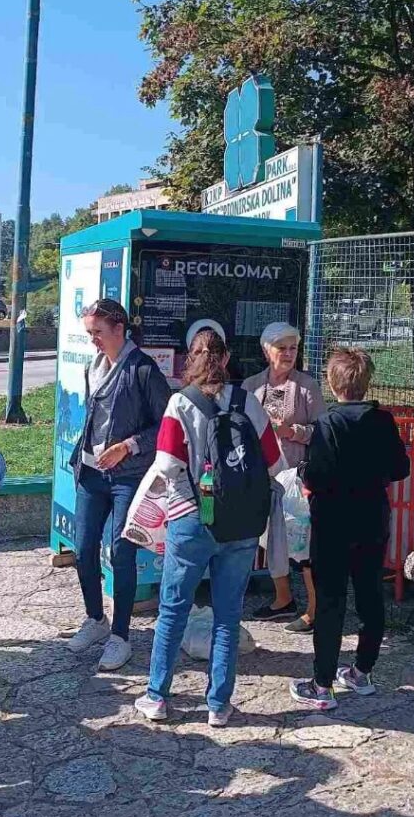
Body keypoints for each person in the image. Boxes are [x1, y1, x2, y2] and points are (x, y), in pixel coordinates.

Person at [135, 328, 283, 726]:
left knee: (173, 610)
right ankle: (219, 704)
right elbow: (274, 462)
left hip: (192, 518)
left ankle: (157, 697)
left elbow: (167, 465)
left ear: (190, 358)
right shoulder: (247, 402)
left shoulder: (180, 403)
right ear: (226, 357)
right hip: (241, 524)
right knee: (227, 615)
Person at [289, 348, 409, 709]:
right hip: (372, 518)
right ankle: (362, 671)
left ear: (331, 382)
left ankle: (322, 684)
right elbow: (400, 467)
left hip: (333, 521)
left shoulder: (328, 423)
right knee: (370, 594)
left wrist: (303, 473)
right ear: (367, 381)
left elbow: (317, 474)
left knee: (330, 599)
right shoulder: (383, 420)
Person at [66, 299, 170, 670]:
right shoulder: (93, 367)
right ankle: (95, 618)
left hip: (128, 475)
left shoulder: (143, 369)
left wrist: (129, 445)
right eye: (89, 333)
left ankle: (120, 636)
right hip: (91, 472)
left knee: (121, 552)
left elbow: (165, 424)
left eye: (98, 332)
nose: (92, 340)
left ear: (119, 329)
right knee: (82, 549)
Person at [243, 322, 326, 632]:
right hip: (261, 475)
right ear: (267, 351)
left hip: (296, 476)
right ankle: (283, 599)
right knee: (271, 538)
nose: (289, 354)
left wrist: (292, 431)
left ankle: (315, 609)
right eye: (282, 348)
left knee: (302, 544)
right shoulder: (251, 386)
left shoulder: (307, 387)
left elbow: (323, 431)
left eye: (294, 348)